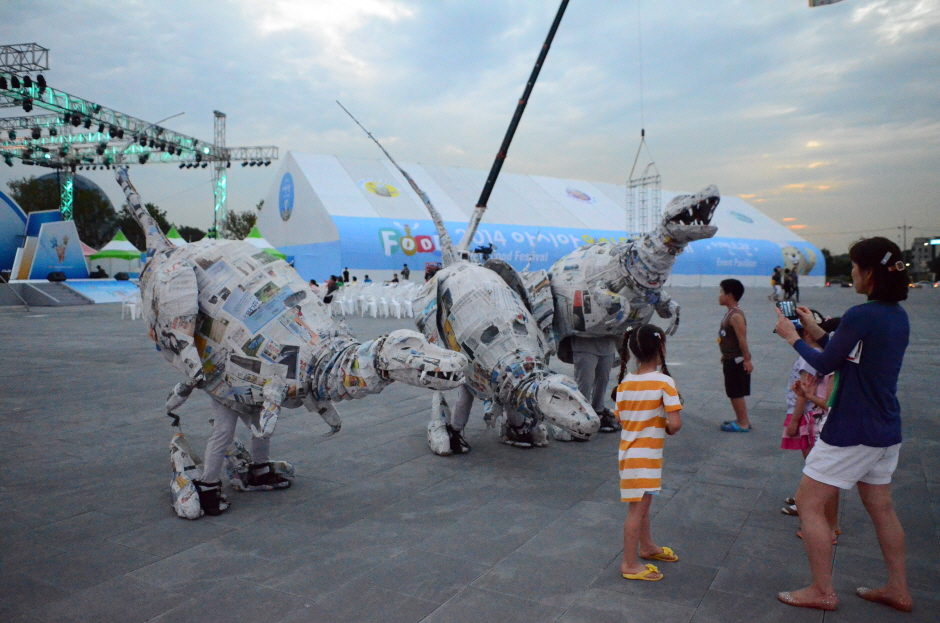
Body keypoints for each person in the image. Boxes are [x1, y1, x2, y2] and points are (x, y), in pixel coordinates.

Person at [774, 237, 912, 613]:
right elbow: (842, 350)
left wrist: (792, 338)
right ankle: (898, 588)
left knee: (808, 503)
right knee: (881, 508)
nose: (852, 273)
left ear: (868, 273)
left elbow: (824, 364)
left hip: (853, 428)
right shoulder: (895, 315)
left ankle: (822, 590)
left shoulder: (862, 314)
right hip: (885, 428)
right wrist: (812, 329)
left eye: (854, 267)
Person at [614, 324, 682, 582]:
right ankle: (629, 563)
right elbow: (674, 424)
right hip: (646, 458)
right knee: (637, 509)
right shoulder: (664, 382)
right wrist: (663, 425)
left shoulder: (624, 383)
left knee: (642, 504)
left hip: (629, 455)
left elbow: (621, 418)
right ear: (661, 347)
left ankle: (648, 546)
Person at [779, 314, 840, 525]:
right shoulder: (823, 354)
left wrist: (794, 421)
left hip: (809, 416)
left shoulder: (809, 356)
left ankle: (814, 508)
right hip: (813, 413)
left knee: (815, 467)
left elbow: (803, 393)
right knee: (816, 466)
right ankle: (810, 502)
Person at [192, 400, 291, 516]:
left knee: (262, 426)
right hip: (225, 392)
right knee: (224, 432)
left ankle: (260, 471)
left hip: (247, 391)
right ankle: (208, 486)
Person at [717, 279, 753, 432]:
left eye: (721, 292)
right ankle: (741, 419)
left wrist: (747, 360)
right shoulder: (730, 313)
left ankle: (743, 423)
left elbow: (742, 339)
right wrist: (725, 354)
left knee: (735, 392)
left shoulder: (736, 316)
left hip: (736, 360)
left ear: (730, 295)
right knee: (733, 392)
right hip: (729, 358)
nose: (719, 296)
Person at [571, 335, 620, 432]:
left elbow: (623, 326)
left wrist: (621, 347)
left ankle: (599, 411)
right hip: (584, 345)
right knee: (585, 384)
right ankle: (581, 416)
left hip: (608, 346)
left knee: (602, 382)